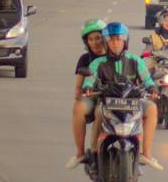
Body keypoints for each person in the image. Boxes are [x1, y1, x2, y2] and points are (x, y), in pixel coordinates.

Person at [85, 22, 162, 170]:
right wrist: (88, 86)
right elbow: (90, 78)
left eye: (118, 39)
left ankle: (145, 153)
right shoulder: (98, 63)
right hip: (107, 103)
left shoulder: (135, 60)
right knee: (98, 113)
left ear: (125, 41)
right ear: (106, 42)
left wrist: (152, 87)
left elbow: (146, 79)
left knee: (151, 108)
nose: (115, 43)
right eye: (111, 40)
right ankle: (94, 152)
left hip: (132, 103)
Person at [66, 19, 107, 169]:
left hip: (114, 99)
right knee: (78, 108)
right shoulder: (85, 59)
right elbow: (79, 86)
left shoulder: (116, 55)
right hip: (93, 97)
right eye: (91, 39)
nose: (95, 42)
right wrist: (80, 92)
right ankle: (80, 153)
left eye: (98, 38)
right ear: (86, 42)